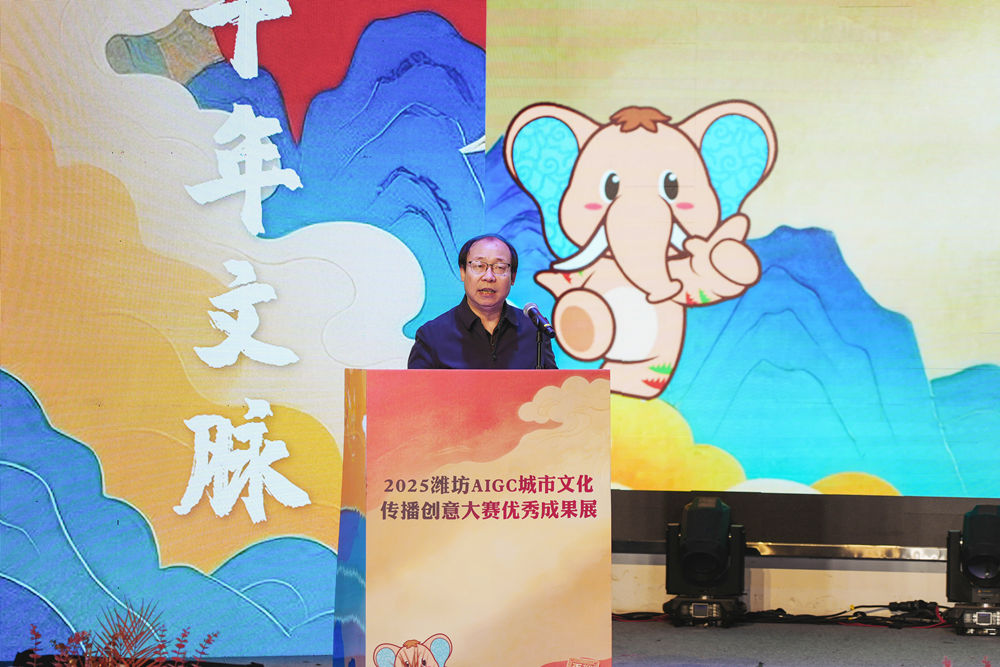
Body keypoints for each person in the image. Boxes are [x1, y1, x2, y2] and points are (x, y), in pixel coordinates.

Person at [407, 234, 557, 369]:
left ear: (513, 277)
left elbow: (554, 388)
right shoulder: (432, 336)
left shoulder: (534, 331)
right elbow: (417, 390)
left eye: (499, 267)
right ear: (463, 272)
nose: (489, 277)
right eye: (479, 266)